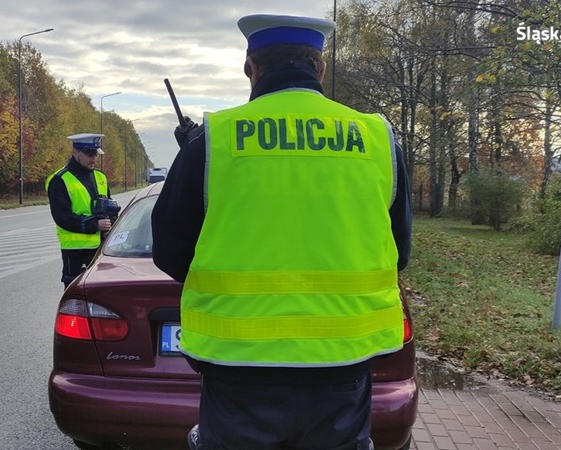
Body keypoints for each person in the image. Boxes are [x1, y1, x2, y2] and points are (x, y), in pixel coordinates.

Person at [151, 13, 413, 450]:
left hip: (237, 367)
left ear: (250, 66)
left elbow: (169, 251)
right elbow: (398, 253)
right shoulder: (376, 138)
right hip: (343, 365)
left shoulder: (213, 139)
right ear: (320, 69)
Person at [46, 133, 113, 288]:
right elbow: (62, 217)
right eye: (89, 154)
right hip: (76, 251)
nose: (94, 158)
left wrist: (112, 225)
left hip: (101, 249)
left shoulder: (100, 176)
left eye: (96, 154)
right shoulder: (60, 180)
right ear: (75, 153)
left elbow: (109, 207)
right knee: (77, 295)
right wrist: (95, 225)